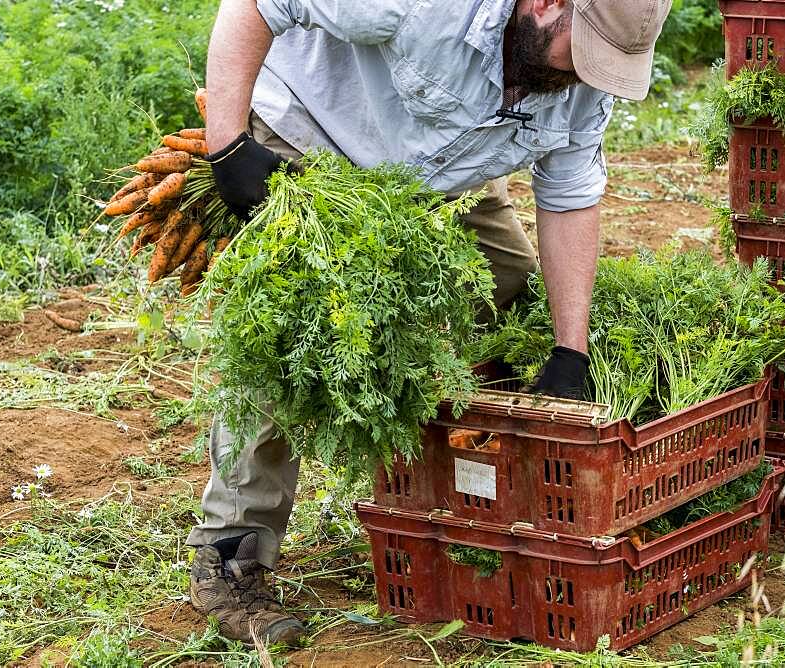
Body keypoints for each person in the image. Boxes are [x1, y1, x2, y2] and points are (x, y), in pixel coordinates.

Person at [188, 0, 672, 647]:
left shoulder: (579, 80)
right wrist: (227, 145)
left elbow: (571, 196)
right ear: (546, 6)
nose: (585, 76)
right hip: (309, 151)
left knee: (510, 291)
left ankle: (487, 491)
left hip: (437, 177)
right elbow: (255, 4)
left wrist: (570, 352)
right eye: (580, 55)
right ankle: (230, 558)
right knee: (292, 345)